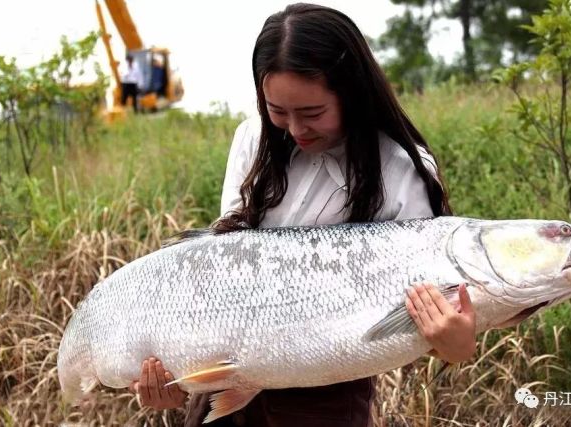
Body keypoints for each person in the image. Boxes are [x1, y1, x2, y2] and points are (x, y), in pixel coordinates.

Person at [129, 3, 477, 426]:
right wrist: (176, 379)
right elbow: (228, 267)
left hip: (325, 396)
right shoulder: (253, 138)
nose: (294, 129)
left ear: (352, 92)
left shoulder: (401, 169)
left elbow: (421, 315)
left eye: (312, 113)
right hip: (228, 376)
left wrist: (455, 344)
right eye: (277, 111)